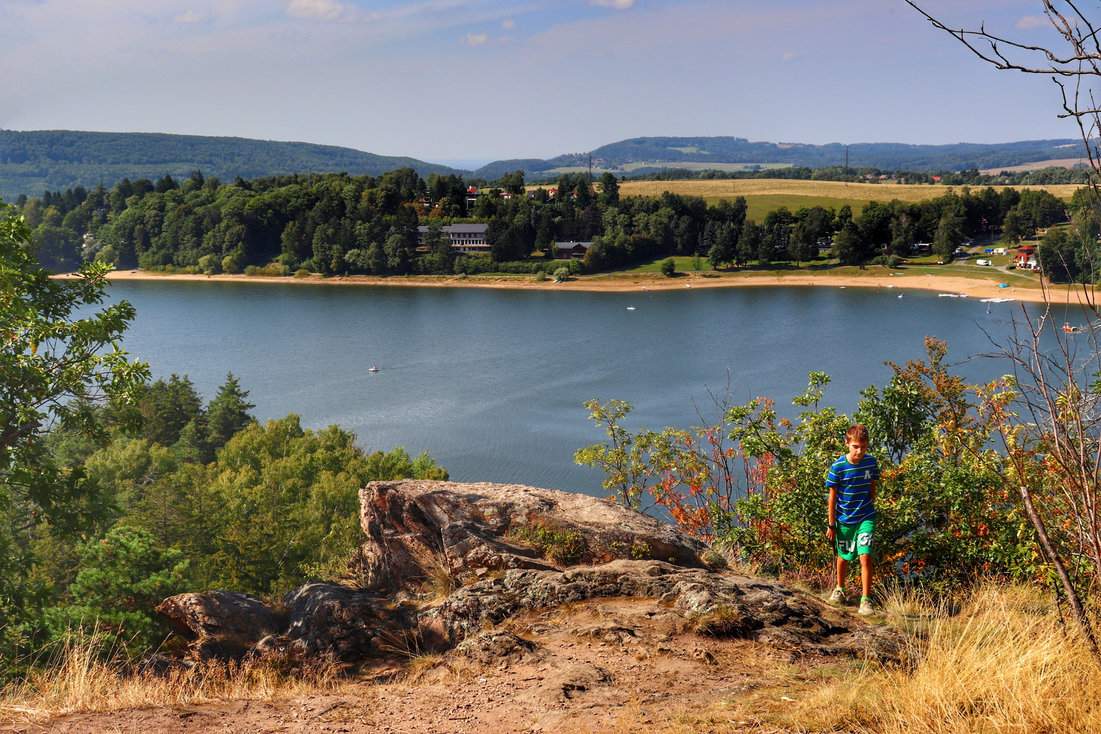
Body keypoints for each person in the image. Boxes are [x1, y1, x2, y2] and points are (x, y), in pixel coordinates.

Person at [825, 424, 878, 615]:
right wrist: (831, 524)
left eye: (863, 447)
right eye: (855, 446)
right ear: (847, 443)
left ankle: (866, 600)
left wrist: (870, 505)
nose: (859, 451)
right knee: (844, 557)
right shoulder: (838, 467)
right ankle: (840, 588)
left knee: (865, 555)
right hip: (845, 519)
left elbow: (872, 486)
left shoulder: (871, 462)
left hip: (866, 517)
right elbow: (832, 498)